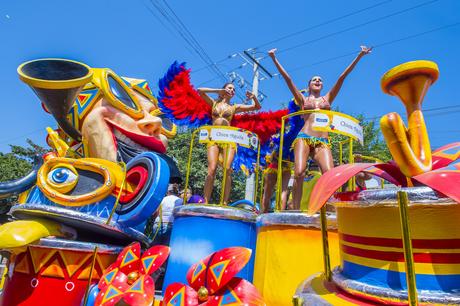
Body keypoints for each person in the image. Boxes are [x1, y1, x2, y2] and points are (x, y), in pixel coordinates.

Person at [268, 46, 372, 209]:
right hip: (304, 138)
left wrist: (359, 56)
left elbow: (342, 77)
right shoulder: (303, 100)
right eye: (314, 80)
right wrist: (273, 58)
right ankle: (296, 210)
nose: (318, 81)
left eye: (320, 80)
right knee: (300, 172)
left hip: (322, 141)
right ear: (309, 85)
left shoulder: (327, 99)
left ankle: (328, 209)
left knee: (330, 175)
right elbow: (288, 79)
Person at [198, 83, 261, 204]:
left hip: (228, 139)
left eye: (234, 89)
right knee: (212, 169)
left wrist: (253, 97)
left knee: (227, 169)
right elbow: (200, 91)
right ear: (224, 89)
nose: (232, 90)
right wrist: (218, 90)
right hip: (214, 138)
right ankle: (205, 201)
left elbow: (257, 107)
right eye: (230, 88)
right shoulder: (214, 103)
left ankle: (225, 202)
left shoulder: (234, 107)